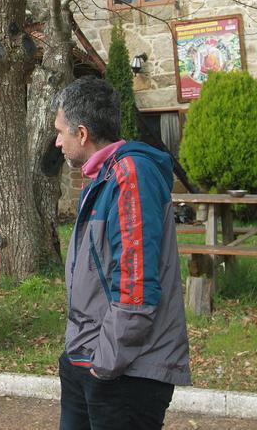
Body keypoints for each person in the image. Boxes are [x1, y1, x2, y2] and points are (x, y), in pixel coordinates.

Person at [52, 77, 191, 430]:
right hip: (89, 361)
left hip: (125, 373)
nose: (57, 141)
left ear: (81, 134)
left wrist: (104, 365)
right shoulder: (103, 177)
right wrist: (76, 358)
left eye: (60, 132)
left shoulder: (130, 174)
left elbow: (137, 287)